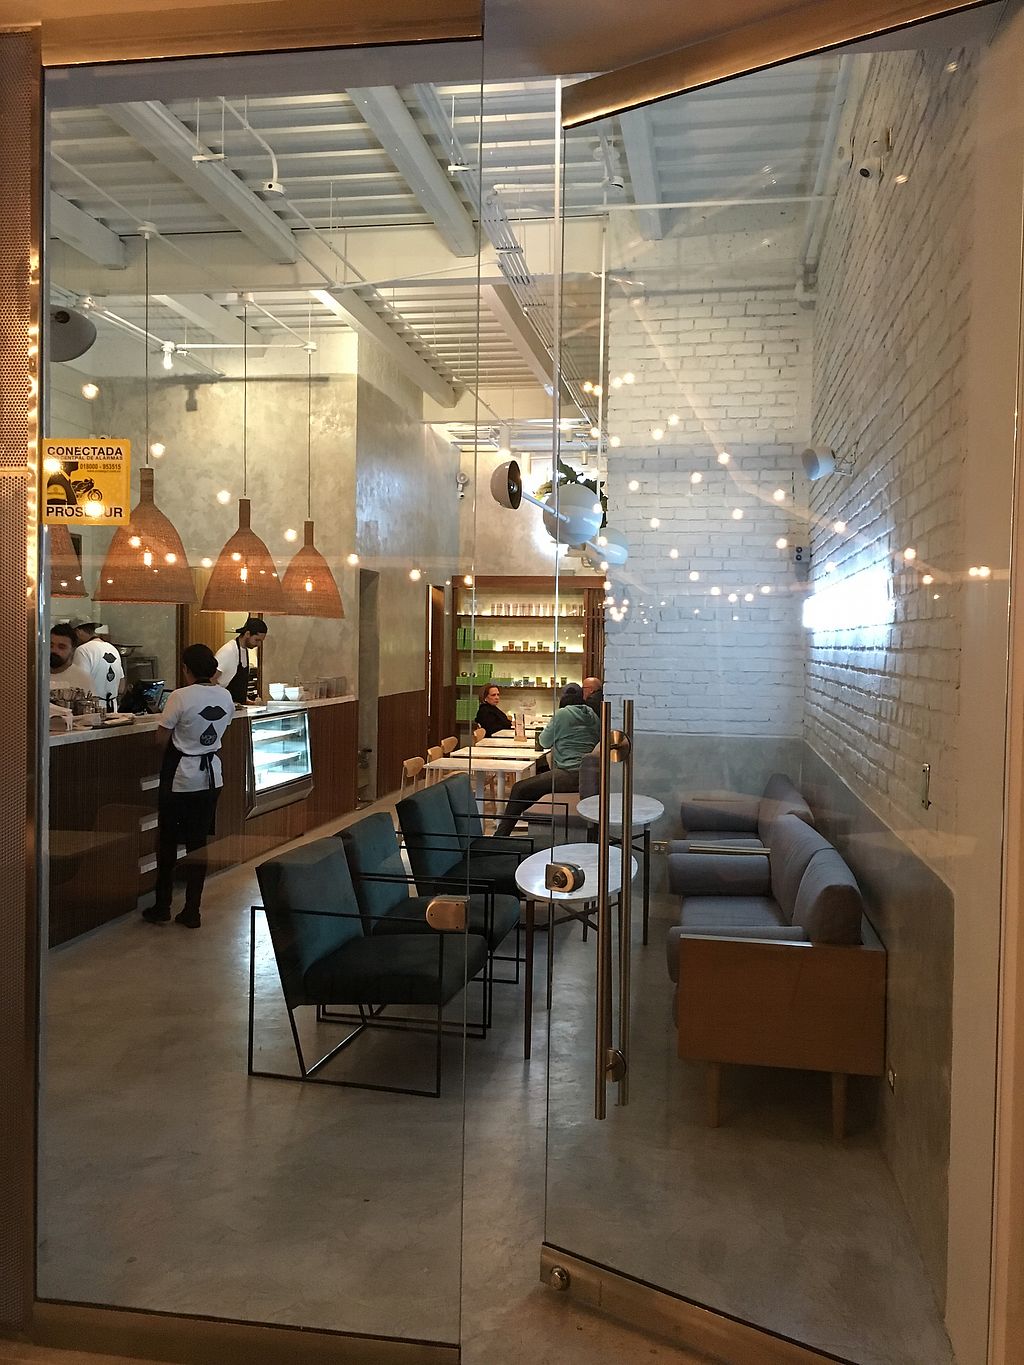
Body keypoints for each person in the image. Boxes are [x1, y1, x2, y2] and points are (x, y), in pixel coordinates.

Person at [143, 643, 234, 929]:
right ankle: (192, 910)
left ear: (186, 669)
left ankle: (162, 906)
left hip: (181, 777)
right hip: (212, 776)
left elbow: (161, 739)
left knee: (168, 841)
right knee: (198, 843)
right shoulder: (225, 696)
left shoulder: (180, 696)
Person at [494, 683, 600, 837]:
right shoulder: (592, 715)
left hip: (569, 773)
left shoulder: (562, 714)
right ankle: (517, 827)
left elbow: (544, 741)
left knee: (519, 788)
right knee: (531, 789)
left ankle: (500, 836)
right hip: (588, 776)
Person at [215, 617, 268, 705]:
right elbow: (211, 679)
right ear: (247, 634)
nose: (259, 644)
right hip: (223, 705)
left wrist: (246, 701)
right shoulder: (229, 650)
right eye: (257, 640)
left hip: (236, 705)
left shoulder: (244, 650)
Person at [73, 621, 124, 709]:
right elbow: (121, 687)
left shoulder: (82, 650)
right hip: (113, 708)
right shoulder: (113, 649)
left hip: (92, 709)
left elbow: (79, 685)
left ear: (78, 631)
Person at [49, 622, 94, 695]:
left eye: (61, 647)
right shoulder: (36, 675)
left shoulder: (82, 678)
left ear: (72, 650)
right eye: (51, 646)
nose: (54, 650)